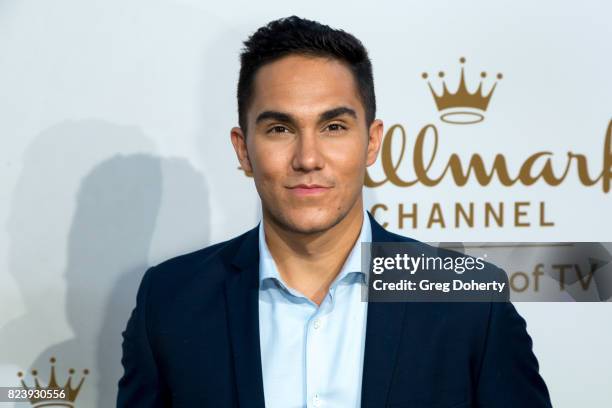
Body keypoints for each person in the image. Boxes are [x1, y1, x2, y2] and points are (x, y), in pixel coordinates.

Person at [117, 15, 552, 407]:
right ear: (243, 150)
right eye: (280, 129)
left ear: (373, 141)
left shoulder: (470, 300)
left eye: (334, 127)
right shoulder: (171, 302)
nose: (308, 157)